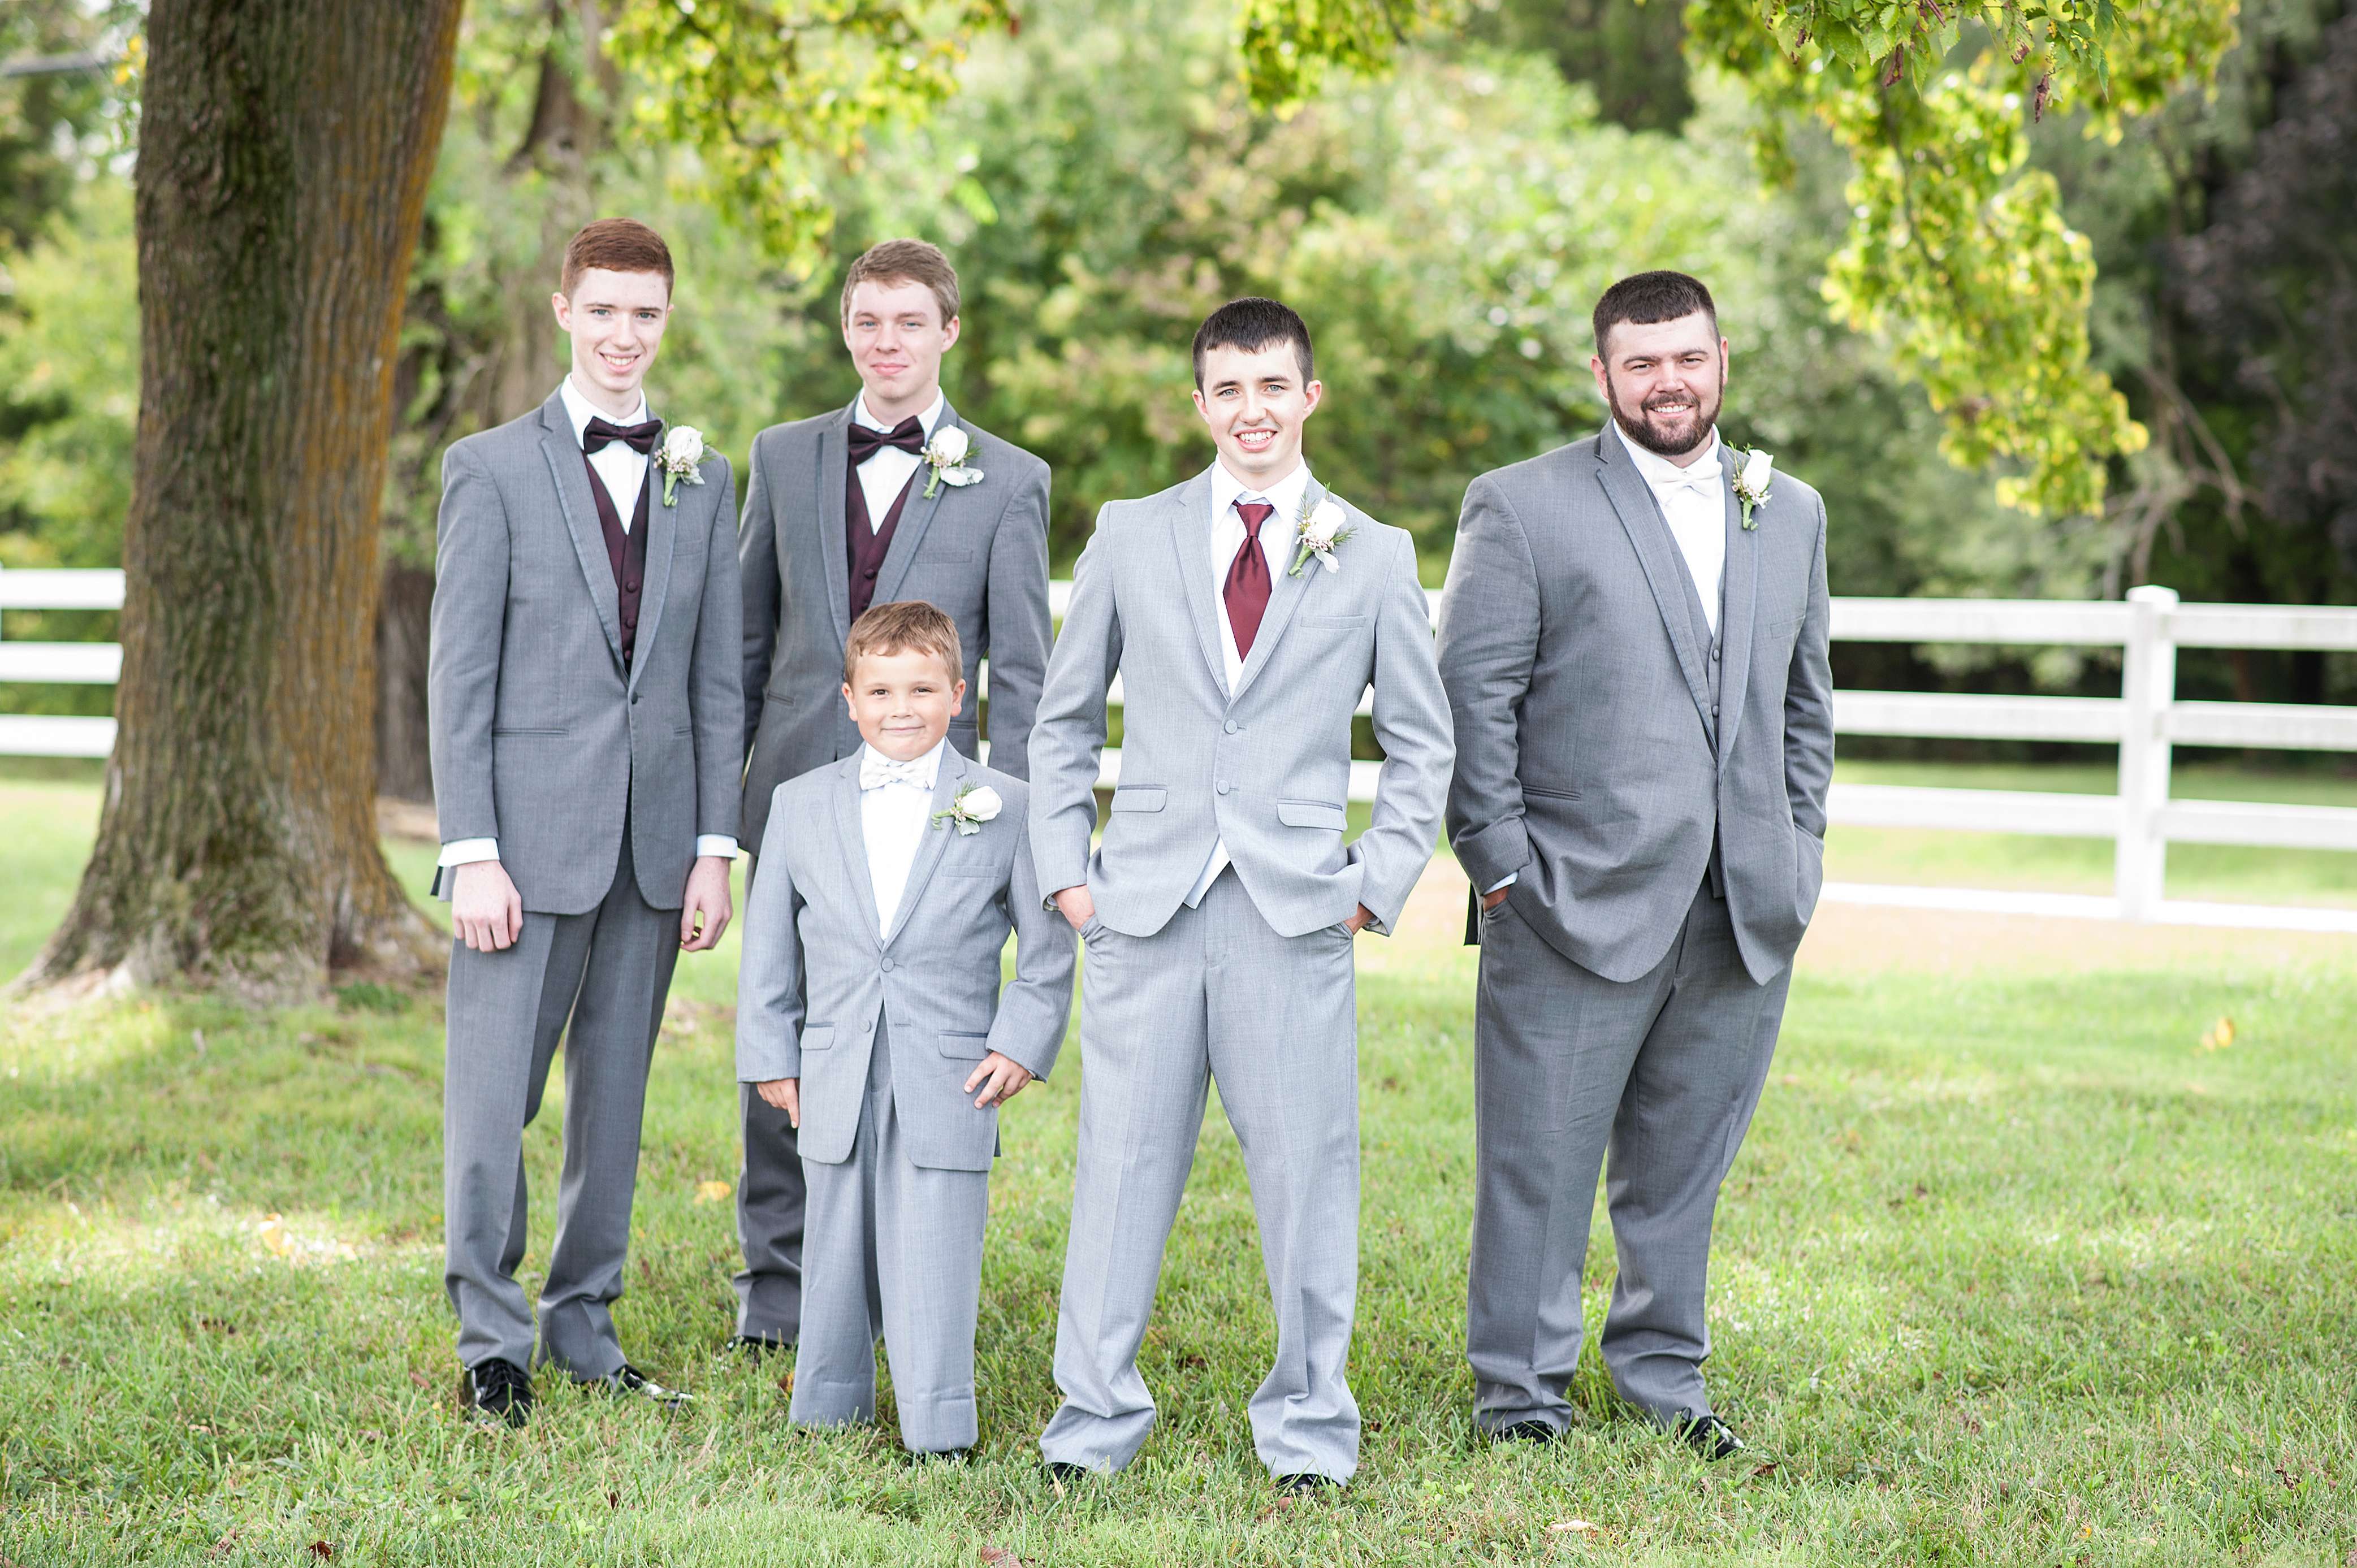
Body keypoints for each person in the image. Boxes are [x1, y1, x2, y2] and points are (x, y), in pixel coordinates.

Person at [1026, 297, 1454, 1491]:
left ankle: (1312, 1429)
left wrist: (1375, 884)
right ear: (1200, 402)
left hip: (1296, 912)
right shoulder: (1130, 531)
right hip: (1142, 909)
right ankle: (1092, 1424)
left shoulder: (1372, 552)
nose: (1252, 409)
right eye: (1229, 388)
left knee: (1309, 1177)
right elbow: (1063, 722)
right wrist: (1068, 871)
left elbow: (1423, 745)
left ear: (1311, 396)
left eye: (1274, 385)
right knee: (1118, 1174)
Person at [1437, 270, 1834, 1458]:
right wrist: (1502, 868)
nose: (1670, 382)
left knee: (1683, 1168)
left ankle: (1666, 1379)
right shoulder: (1521, 505)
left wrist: (1796, 853)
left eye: (1690, 357)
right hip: (1570, 899)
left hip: (1742, 905)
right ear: (1601, 373)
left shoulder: (1792, 509)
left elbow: (1804, 708)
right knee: (1538, 1166)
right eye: (1643, 361)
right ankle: (1522, 1396)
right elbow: (1475, 698)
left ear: (1723, 360)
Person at [426, 217, 741, 1427]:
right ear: (564, 310)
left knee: (616, 1100)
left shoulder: (705, 477)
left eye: (646, 313)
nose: (625, 334)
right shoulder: (491, 467)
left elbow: (716, 674)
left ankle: (585, 1324)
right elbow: (460, 677)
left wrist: (714, 846)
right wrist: (474, 851)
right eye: (604, 309)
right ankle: (490, 1339)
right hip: (522, 845)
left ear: (668, 320)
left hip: (655, 846)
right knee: (492, 1100)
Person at [730, 239, 1053, 1357]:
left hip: (939, 819)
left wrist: (1025, 827)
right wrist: (718, 830)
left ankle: (898, 1277)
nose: (887, 342)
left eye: (909, 322)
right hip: (800, 807)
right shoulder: (780, 456)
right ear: (846, 330)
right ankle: (779, 1288)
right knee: (791, 1036)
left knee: (913, 1050)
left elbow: (1022, 669)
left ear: (948, 332)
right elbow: (747, 642)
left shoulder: (1010, 478)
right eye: (867, 321)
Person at [736, 600, 1073, 1457]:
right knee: (835, 1240)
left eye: (921, 688)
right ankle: (829, 1405)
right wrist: (771, 1050)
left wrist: (1020, 1042)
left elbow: (1045, 946)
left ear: (958, 693)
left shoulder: (1004, 803)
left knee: (936, 1246)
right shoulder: (799, 802)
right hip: (834, 1060)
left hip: (952, 1065)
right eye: (880, 689)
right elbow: (770, 944)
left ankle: (938, 1421)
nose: (901, 707)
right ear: (848, 699)